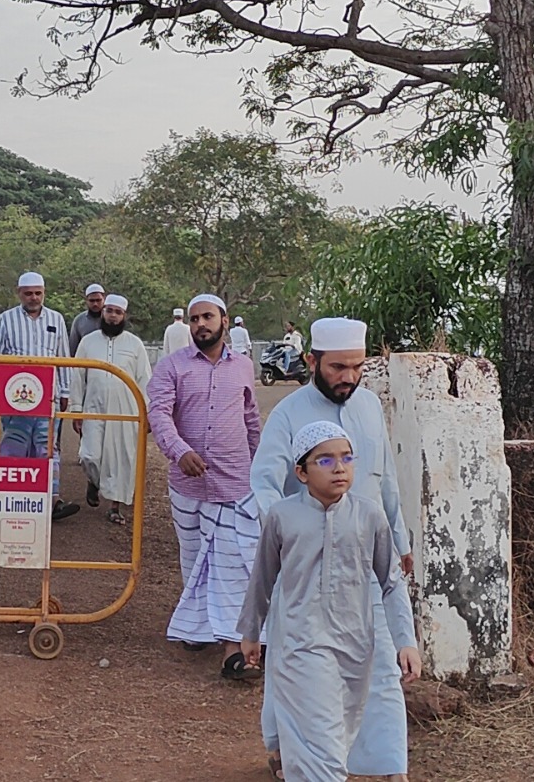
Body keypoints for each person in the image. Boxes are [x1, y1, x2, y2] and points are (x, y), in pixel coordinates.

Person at [250, 316, 417, 781]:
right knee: (299, 663)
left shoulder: (369, 407)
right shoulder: (288, 413)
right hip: (306, 567)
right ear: (312, 361)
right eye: (338, 367)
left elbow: (384, 482)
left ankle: (388, 766)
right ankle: (288, 752)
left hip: (365, 559)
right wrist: (286, 535)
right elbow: (263, 483)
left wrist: (400, 541)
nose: (349, 377)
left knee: (379, 664)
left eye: (357, 367)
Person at [147, 293, 262, 680]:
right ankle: (197, 625)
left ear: (224, 321)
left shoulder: (243, 366)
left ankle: (233, 648)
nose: (200, 324)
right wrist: (179, 451)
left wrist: (259, 465)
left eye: (207, 317)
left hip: (235, 481)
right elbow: (159, 414)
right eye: (195, 319)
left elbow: (250, 418)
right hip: (188, 483)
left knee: (232, 563)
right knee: (194, 555)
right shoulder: (171, 366)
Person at [0, 271, 79, 521]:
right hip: (14, 398)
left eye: (38, 293)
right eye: (28, 293)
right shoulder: (6, 320)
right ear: (19, 293)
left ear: (44, 293)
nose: (33, 298)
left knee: (46, 448)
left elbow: (63, 357)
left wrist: (65, 391)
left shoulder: (56, 319)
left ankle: (51, 500)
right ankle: (10, 497)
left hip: (48, 398)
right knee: (14, 446)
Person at [72, 294, 151, 524]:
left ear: (124, 316)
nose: (113, 316)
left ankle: (115, 507)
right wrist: (76, 409)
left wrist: (147, 413)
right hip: (93, 407)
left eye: (118, 312)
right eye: (109, 311)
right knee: (89, 456)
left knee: (121, 459)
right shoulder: (88, 342)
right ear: (103, 313)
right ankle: (95, 482)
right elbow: (77, 376)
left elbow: (145, 379)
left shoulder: (135, 344)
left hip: (126, 410)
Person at [69, 283, 106, 356]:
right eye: (92, 301)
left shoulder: (112, 320)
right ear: (86, 300)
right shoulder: (79, 321)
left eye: (98, 300)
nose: (95, 304)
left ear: (104, 299)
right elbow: (73, 348)